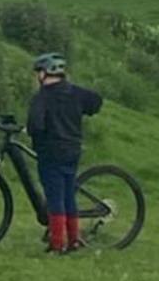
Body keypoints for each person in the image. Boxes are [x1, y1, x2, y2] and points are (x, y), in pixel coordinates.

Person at [27, 51, 103, 252]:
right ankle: (73, 240)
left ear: (44, 73)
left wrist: (36, 136)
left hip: (50, 153)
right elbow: (95, 102)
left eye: (39, 72)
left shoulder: (42, 97)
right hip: (73, 150)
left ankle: (57, 243)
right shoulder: (75, 92)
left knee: (55, 198)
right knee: (69, 195)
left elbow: (35, 125)